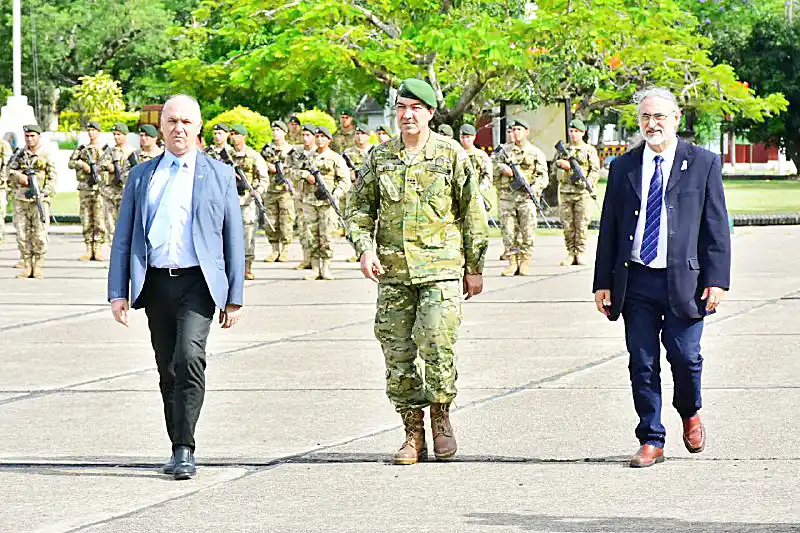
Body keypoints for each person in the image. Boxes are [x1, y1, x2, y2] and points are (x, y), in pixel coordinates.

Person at [344, 78, 488, 465]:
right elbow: (358, 210)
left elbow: (472, 212)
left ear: (428, 113)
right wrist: (364, 249)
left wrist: (474, 267)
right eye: (401, 108)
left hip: (440, 270)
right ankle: (412, 430)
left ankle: (441, 415)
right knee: (398, 355)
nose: (407, 115)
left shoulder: (452, 155)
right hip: (392, 273)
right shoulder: (380, 158)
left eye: (415, 108)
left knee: (438, 345)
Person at [107, 94, 245, 480]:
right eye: (171, 122)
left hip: (198, 284)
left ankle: (186, 448)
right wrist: (119, 290)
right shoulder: (142, 176)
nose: (178, 128)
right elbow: (123, 237)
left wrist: (234, 297)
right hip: (156, 284)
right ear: (161, 127)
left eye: (186, 122)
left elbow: (234, 236)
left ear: (198, 127)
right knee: (167, 368)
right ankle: (176, 444)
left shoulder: (218, 174)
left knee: (189, 357)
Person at [593, 87, 731, 468]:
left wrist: (716, 280)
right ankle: (651, 436)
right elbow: (610, 228)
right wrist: (602, 281)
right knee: (641, 361)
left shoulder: (702, 162)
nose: (652, 124)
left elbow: (716, 225)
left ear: (676, 119)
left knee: (685, 357)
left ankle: (690, 411)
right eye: (645, 117)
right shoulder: (623, 167)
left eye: (659, 117)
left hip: (685, 281)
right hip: (635, 281)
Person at [492, 119, 548, 276]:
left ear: (526, 132)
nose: (515, 132)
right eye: (513, 129)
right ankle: (512, 262)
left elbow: (543, 177)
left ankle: (525, 262)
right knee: (508, 232)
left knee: (527, 232)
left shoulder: (535, 153)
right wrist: (503, 169)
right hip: (506, 198)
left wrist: (533, 190)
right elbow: (493, 170)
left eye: (519, 129)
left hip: (526, 198)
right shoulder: (503, 151)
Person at [7, 125, 57, 279]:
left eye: (33, 136)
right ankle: (27, 265)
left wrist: (44, 193)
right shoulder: (20, 155)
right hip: (21, 200)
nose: (30, 139)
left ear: (39, 136)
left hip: (39, 200)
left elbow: (52, 177)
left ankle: (38, 265)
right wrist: (19, 177)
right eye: (27, 136)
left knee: (40, 235)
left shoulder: (46, 156)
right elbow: (8, 171)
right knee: (22, 234)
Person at [301, 126, 349, 280]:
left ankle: (326, 268)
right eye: (318, 136)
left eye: (323, 137)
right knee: (311, 235)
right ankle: (315, 268)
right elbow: (292, 172)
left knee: (327, 236)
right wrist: (305, 174)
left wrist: (335, 195)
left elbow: (344, 181)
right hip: (310, 201)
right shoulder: (307, 157)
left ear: (329, 140)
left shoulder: (336, 158)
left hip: (328, 204)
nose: (320, 139)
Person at [554, 119, 600, 266]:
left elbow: (595, 170)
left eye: (577, 132)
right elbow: (554, 170)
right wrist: (561, 165)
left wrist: (588, 183)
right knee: (568, 224)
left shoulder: (589, 150)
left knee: (581, 224)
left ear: (583, 133)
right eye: (571, 131)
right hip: (566, 192)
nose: (573, 134)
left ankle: (579, 253)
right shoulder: (563, 150)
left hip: (582, 193)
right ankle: (570, 253)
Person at [229, 124, 268, 280]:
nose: (233, 137)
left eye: (237, 134)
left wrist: (257, 191)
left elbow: (264, 178)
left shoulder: (254, 156)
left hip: (246, 201)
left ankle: (247, 268)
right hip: (227, 201)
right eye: (231, 133)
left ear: (243, 136)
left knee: (248, 235)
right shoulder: (227, 156)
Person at [69, 121, 107, 261]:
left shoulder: (104, 149)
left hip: (99, 189)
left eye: (93, 130)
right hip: (85, 188)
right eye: (89, 130)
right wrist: (82, 164)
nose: (91, 133)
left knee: (99, 219)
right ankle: (88, 248)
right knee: (86, 218)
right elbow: (71, 163)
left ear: (99, 132)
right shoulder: (82, 149)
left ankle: (98, 248)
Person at [260, 120, 296, 262]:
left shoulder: (291, 151)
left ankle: (285, 249)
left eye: (279, 130)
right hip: (270, 190)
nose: (275, 133)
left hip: (285, 191)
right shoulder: (266, 150)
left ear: (285, 133)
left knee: (286, 221)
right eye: (273, 130)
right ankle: (274, 250)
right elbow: (259, 165)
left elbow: (296, 168)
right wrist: (267, 165)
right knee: (271, 222)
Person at [288, 124, 317, 270]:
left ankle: (317, 261)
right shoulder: (295, 152)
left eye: (308, 135)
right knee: (302, 227)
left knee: (317, 230)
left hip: (317, 198)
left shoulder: (319, 153)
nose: (305, 138)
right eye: (303, 135)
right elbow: (288, 172)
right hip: (300, 195)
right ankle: (306, 258)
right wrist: (303, 174)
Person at [99, 123, 134, 244]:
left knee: (126, 227)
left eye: (119, 134)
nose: (116, 137)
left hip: (126, 194)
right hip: (110, 194)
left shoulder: (132, 153)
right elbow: (99, 165)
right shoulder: (109, 152)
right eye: (114, 135)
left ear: (125, 135)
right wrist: (107, 166)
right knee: (110, 226)